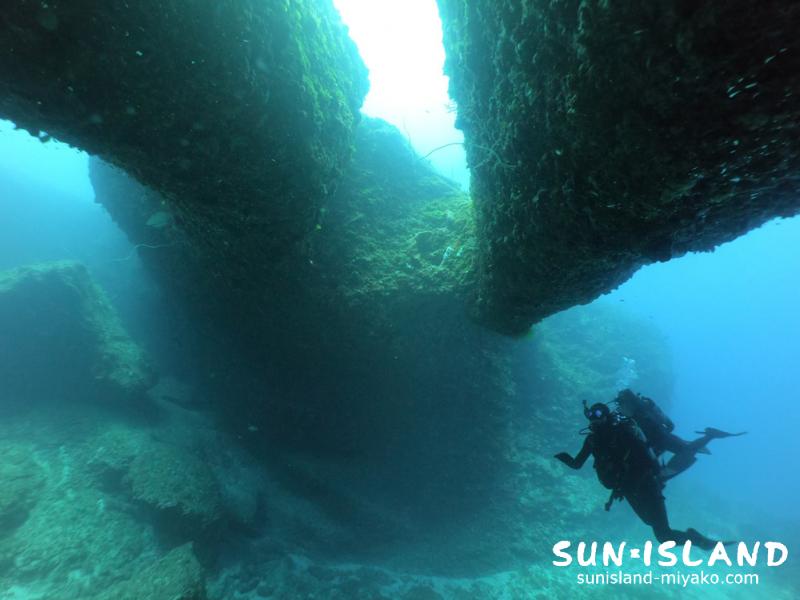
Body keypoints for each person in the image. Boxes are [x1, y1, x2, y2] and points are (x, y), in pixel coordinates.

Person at [555, 402, 721, 550]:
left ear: (606, 416)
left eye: (598, 415)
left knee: (663, 535)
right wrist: (561, 456)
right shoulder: (592, 440)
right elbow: (577, 464)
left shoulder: (622, 433)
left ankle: (698, 541)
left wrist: (629, 483)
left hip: (647, 485)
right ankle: (695, 538)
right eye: (590, 415)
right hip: (627, 490)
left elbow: (645, 461)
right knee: (656, 528)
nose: (594, 420)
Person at [614, 389, 746, 480]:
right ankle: (709, 436)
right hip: (662, 438)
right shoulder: (642, 411)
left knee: (671, 466)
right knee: (686, 448)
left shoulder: (641, 416)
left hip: (661, 440)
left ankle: (710, 436)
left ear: (627, 403)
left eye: (621, 404)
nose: (619, 408)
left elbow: (656, 434)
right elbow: (669, 425)